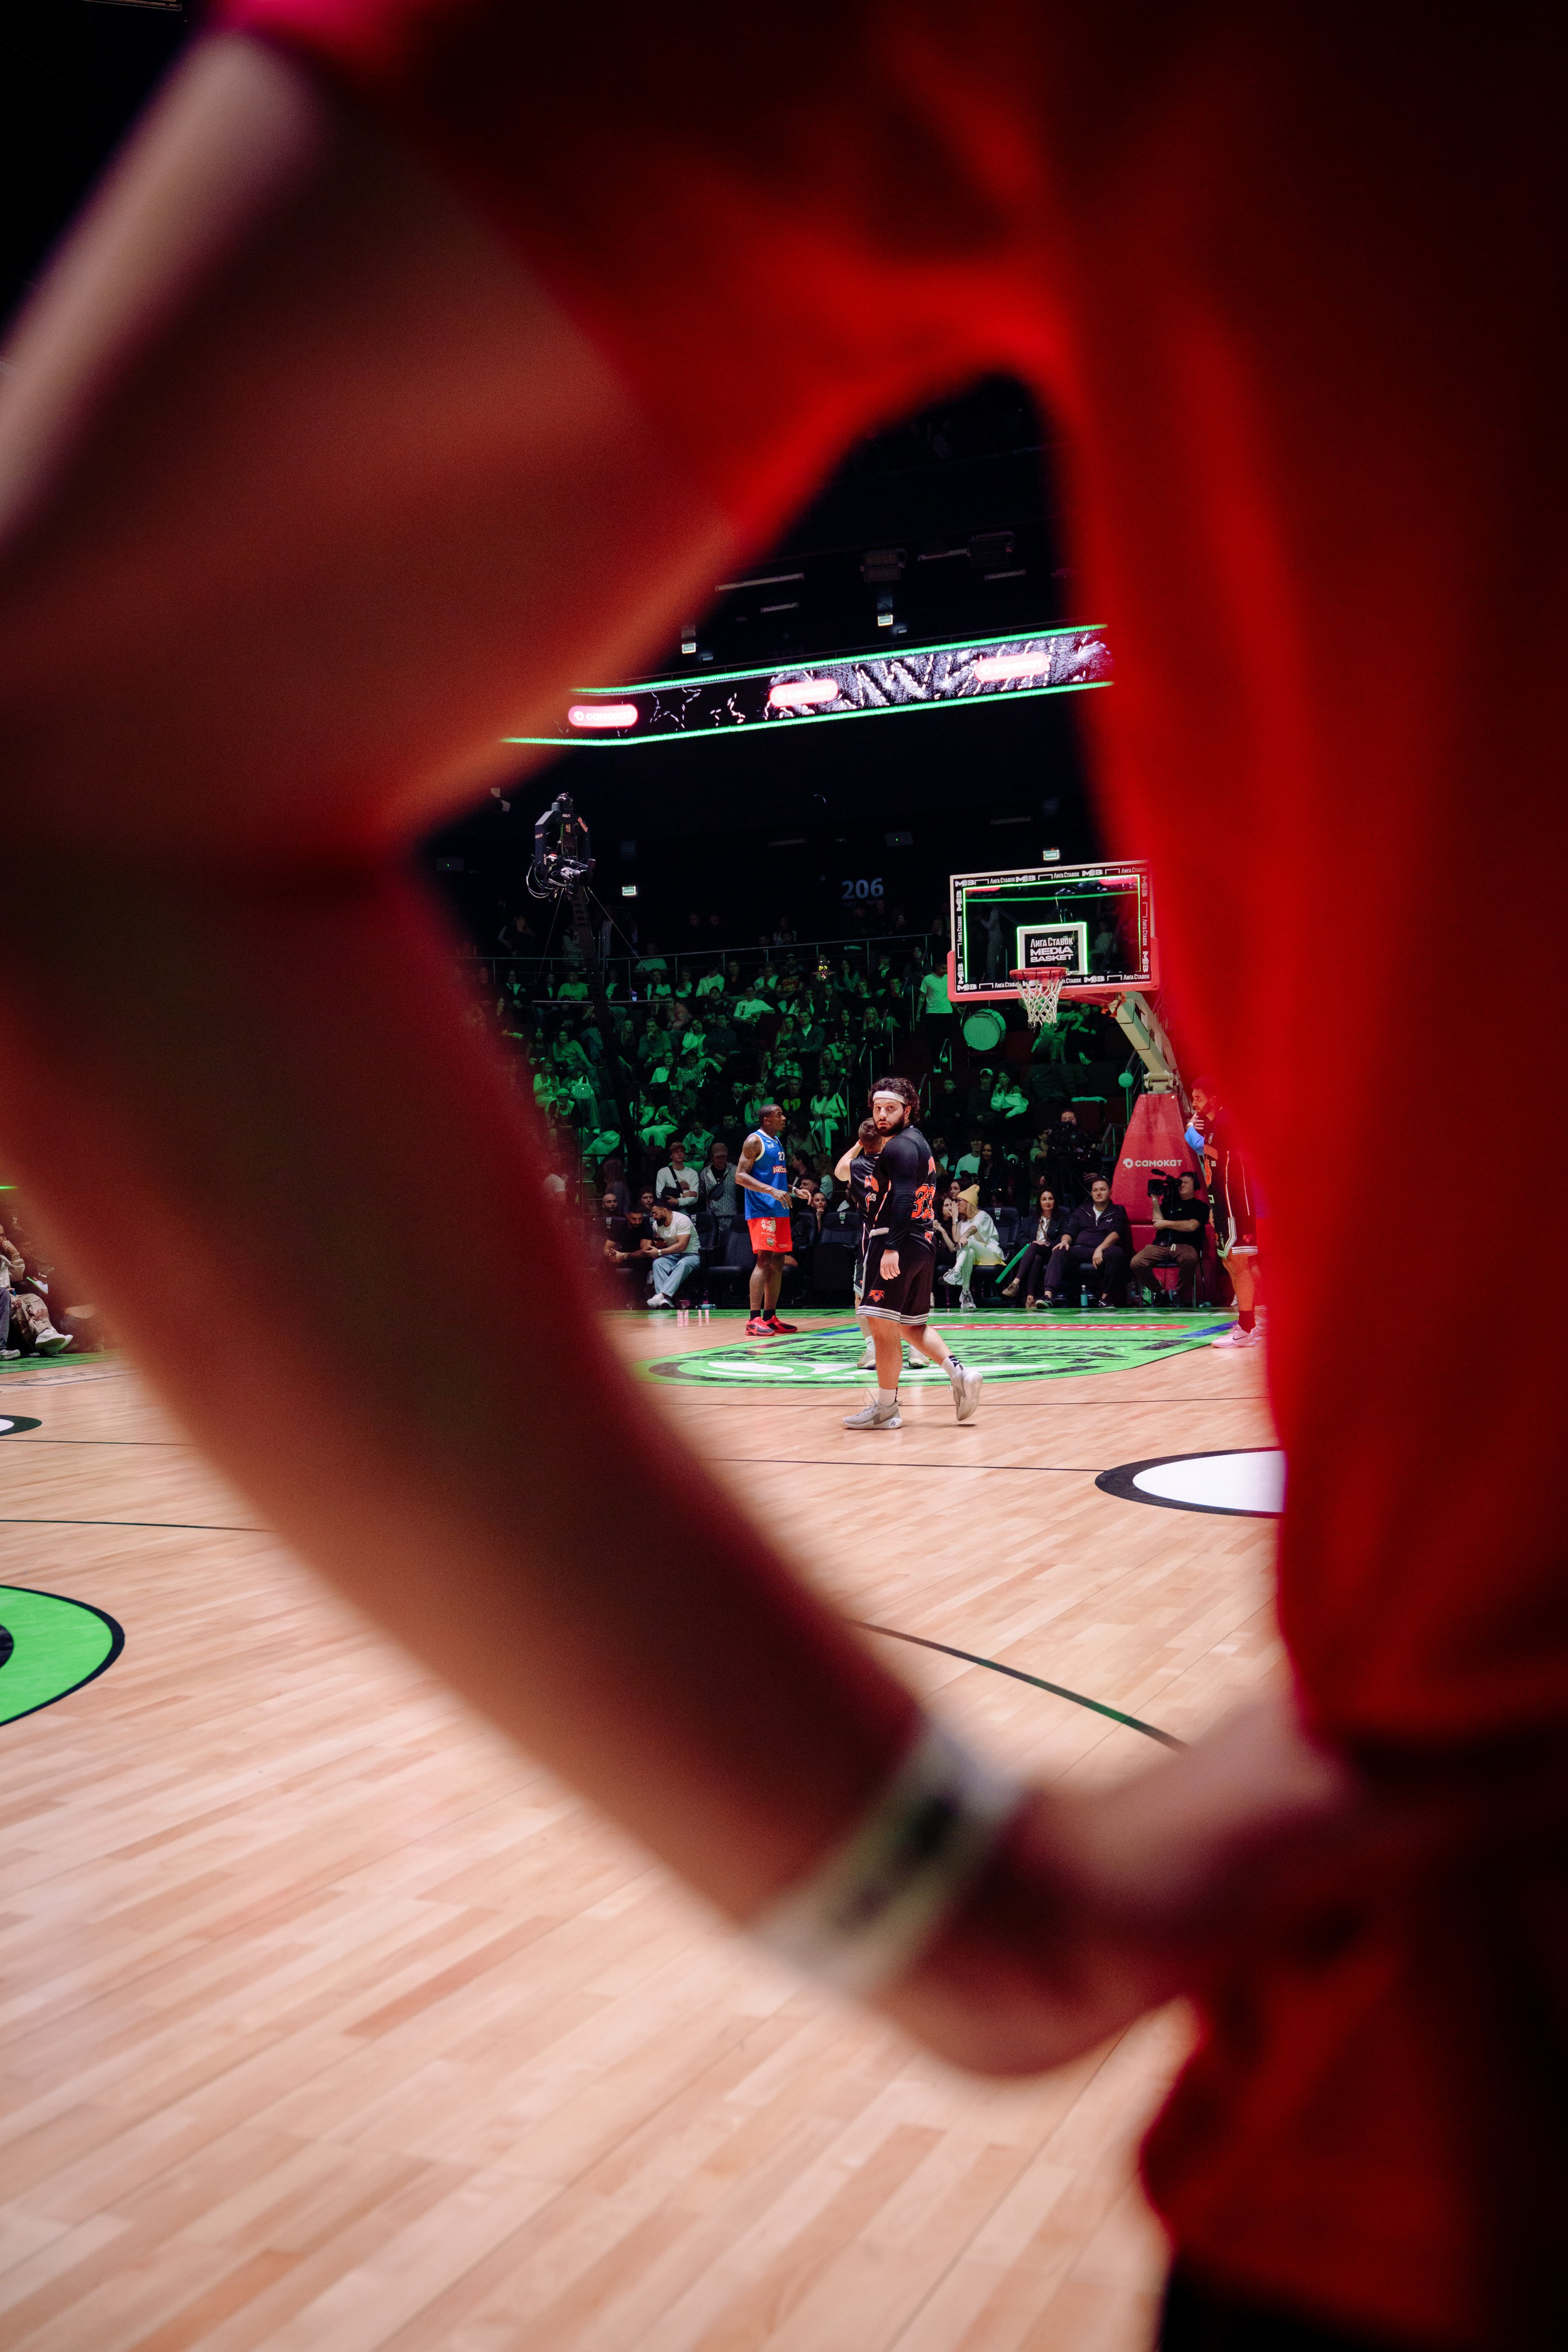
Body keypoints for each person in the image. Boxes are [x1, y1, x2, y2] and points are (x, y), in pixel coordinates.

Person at [11, 21, 1566, 2349]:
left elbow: (77, 741)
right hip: (1457, 2096)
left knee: (874, 1307)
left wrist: (934, 1899)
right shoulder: (795, 1150)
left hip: (1487, 2130)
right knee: (847, 1310)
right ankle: (894, 1386)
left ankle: (904, 1392)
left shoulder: (854, 1136)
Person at [843, 1076, 983, 1429]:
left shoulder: (899, 1147)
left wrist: (890, 1249)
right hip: (921, 1241)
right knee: (911, 1325)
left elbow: (904, 1197)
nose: (881, 1115)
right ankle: (959, 1373)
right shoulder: (916, 1143)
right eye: (877, 1108)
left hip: (897, 1240)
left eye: (890, 1108)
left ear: (908, 1109)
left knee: (882, 1327)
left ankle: (887, 1408)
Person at [1196, 1087, 1264, 1348]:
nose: (1194, 1103)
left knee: (1240, 1263)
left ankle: (1247, 1327)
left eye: (1198, 1097)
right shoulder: (1214, 1124)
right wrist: (1214, 1207)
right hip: (1223, 1203)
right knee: (1231, 1264)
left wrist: (1193, 1133)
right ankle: (1249, 1323)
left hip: (1236, 1201)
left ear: (1214, 1098)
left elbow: (1224, 1159)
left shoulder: (1226, 1122)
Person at [736, 1101, 796, 1336]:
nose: (784, 1118)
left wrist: (792, 1190)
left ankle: (771, 1317)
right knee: (763, 1261)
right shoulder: (755, 1141)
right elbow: (740, 1176)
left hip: (779, 1209)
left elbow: (774, 1179)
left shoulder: (777, 1141)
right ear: (766, 1120)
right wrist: (772, 1192)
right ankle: (754, 1319)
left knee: (778, 1262)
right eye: (779, 1115)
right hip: (762, 1210)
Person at [1131, 1172, 1210, 1308]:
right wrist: (1155, 1199)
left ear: (1195, 1186)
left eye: (1186, 1182)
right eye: (1180, 1182)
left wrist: (1166, 1224)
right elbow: (1157, 1222)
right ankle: (1160, 1293)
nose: (1182, 1185)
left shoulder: (1200, 1206)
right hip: (1161, 1245)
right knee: (1137, 1262)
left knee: (1190, 1258)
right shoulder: (1169, 1204)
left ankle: (1178, 1294)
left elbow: (1192, 1226)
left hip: (1185, 1245)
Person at [1063, 1176, 1133, 1310]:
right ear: (1091, 1193)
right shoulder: (1081, 1210)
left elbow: (1116, 1234)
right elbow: (1070, 1230)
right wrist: (1065, 1241)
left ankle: (1106, 1298)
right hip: (1081, 1249)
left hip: (1104, 1250)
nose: (1099, 1193)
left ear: (1110, 1192)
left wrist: (1100, 1249)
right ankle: (1048, 1296)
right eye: (1095, 1190)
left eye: (1102, 1189)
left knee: (1117, 1252)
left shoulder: (1118, 1210)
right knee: (1060, 1250)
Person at [1002, 1185, 1072, 1308]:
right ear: (1039, 1202)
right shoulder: (1029, 1220)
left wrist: (1046, 1244)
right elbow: (1021, 1238)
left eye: (1051, 1199)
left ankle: (1015, 1283)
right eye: (1044, 1199)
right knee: (1036, 1256)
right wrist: (1033, 1242)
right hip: (1034, 1253)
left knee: (1035, 1248)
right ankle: (1030, 1299)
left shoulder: (1062, 1219)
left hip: (1052, 1252)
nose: (1048, 1202)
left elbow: (1062, 1237)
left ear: (1055, 1201)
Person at [940, 1185, 1005, 1311]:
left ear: (968, 1202)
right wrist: (955, 1218)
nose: (956, 1204)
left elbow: (974, 1228)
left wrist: (965, 1235)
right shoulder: (963, 1222)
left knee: (967, 1242)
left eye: (959, 1201)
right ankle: (966, 1294)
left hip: (991, 1254)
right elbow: (957, 1241)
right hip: (973, 1255)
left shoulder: (982, 1215)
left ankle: (956, 1272)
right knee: (967, 1251)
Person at [646, 1196, 700, 1306]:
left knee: (683, 1263)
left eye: (655, 1213)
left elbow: (682, 1246)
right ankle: (666, 1303)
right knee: (658, 1263)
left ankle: (662, 1296)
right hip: (672, 1256)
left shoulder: (682, 1220)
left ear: (664, 1211)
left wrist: (660, 1252)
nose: (653, 1216)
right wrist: (660, 1245)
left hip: (692, 1255)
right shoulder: (657, 1225)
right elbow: (664, 1243)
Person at [698, 1138, 737, 1237]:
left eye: (724, 1157)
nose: (721, 1160)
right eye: (718, 1157)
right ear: (712, 1157)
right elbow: (702, 1193)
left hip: (731, 1215)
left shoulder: (735, 1171)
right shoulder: (705, 1174)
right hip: (713, 1216)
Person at [654, 1137, 700, 1212]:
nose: (680, 1154)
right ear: (671, 1155)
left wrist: (678, 1201)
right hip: (669, 1210)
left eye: (682, 1152)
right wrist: (683, 1195)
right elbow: (660, 1195)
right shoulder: (663, 1172)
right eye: (676, 1152)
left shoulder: (693, 1173)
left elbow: (695, 1196)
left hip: (688, 1210)